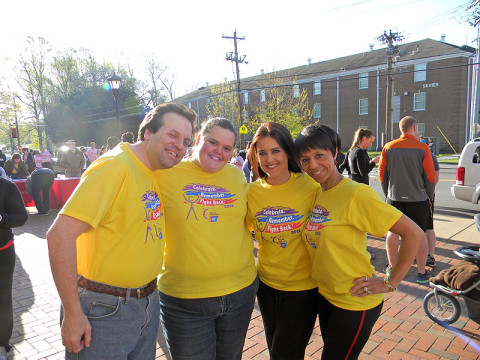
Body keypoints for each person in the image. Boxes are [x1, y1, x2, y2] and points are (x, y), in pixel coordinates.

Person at [46, 103, 196, 359]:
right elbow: (59, 235)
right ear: (148, 132)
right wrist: (72, 314)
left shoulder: (151, 169)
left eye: (186, 141)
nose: (180, 146)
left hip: (145, 303)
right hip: (104, 310)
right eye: (172, 135)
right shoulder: (115, 167)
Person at [295, 124, 423, 360]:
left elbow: (414, 233)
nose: (312, 165)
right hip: (326, 297)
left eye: (319, 156)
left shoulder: (356, 194)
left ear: (335, 153)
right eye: (305, 159)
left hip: (354, 302)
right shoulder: (318, 192)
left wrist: (391, 281)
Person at [156, 117, 258, 360]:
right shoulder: (165, 175)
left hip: (240, 294)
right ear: (198, 139)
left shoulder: (235, 176)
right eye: (213, 142)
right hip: (185, 301)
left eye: (226, 148)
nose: (219, 152)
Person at [246, 122, 319, 359]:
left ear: (288, 151)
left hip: (303, 289)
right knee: (275, 348)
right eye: (262, 153)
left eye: (276, 150)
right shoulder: (252, 192)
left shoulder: (311, 186)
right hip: (266, 286)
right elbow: (242, 230)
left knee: (284, 354)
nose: (269, 159)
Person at [379, 116, 436, 283]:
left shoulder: (388, 147)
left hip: (394, 197)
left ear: (401, 129)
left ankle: (391, 267)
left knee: (393, 232)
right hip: (418, 199)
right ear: (415, 128)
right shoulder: (423, 148)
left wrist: (387, 194)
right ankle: (421, 272)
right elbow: (430, 177)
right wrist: (429, 195)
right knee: (420, 234)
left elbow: (382, 175)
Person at [0, 177, 28, 360]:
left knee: (2, 300)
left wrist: (2, 218)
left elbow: (22, 216)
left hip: (2, 252)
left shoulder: (6, 186)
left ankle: (2, 344)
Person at [426, 151, 440, 267]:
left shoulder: (430, 155)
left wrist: (428, 194)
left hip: (425, 197)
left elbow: (435, 177)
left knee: (428, 227)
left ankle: (430, 256)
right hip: (415, 197)